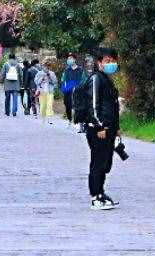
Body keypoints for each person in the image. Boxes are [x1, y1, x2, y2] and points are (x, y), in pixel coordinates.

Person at [73, 47, 121, 210]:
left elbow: (112, 106)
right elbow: (93, 106)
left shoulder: (106, 79)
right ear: (99, 62)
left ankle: (101, 192)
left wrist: (116, 127)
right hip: (98, 129)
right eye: (107, 61)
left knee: (105, 162)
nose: (111, 64)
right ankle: (95, 196)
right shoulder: (95, 79)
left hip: (109, 128)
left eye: (113, 61)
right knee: (98, 162)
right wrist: (99, 126)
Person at [60, 53, 88, 122]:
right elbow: (63, 80)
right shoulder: (66, 70)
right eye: (68, 59)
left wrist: (78, 87)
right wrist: (65, 88)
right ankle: (69, 118)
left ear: (74, 60)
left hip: (78, 90)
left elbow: (84, 80)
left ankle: (79, 121)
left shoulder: (80, 70)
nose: (69, 60)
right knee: (67, 104)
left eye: (70, 58)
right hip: (68, 90)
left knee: (78, 105)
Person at [1, 52, 22, 117]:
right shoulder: (18, 65)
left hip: (7, 84)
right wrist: (20, 82)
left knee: (7, 98)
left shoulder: (6, 64)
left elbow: (3, 73)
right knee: (15, 99)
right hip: (16, 84)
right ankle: (14, 112)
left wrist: (2, 81)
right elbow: (21, 74)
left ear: (9, 57)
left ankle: (7, 111)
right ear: (14, 57)